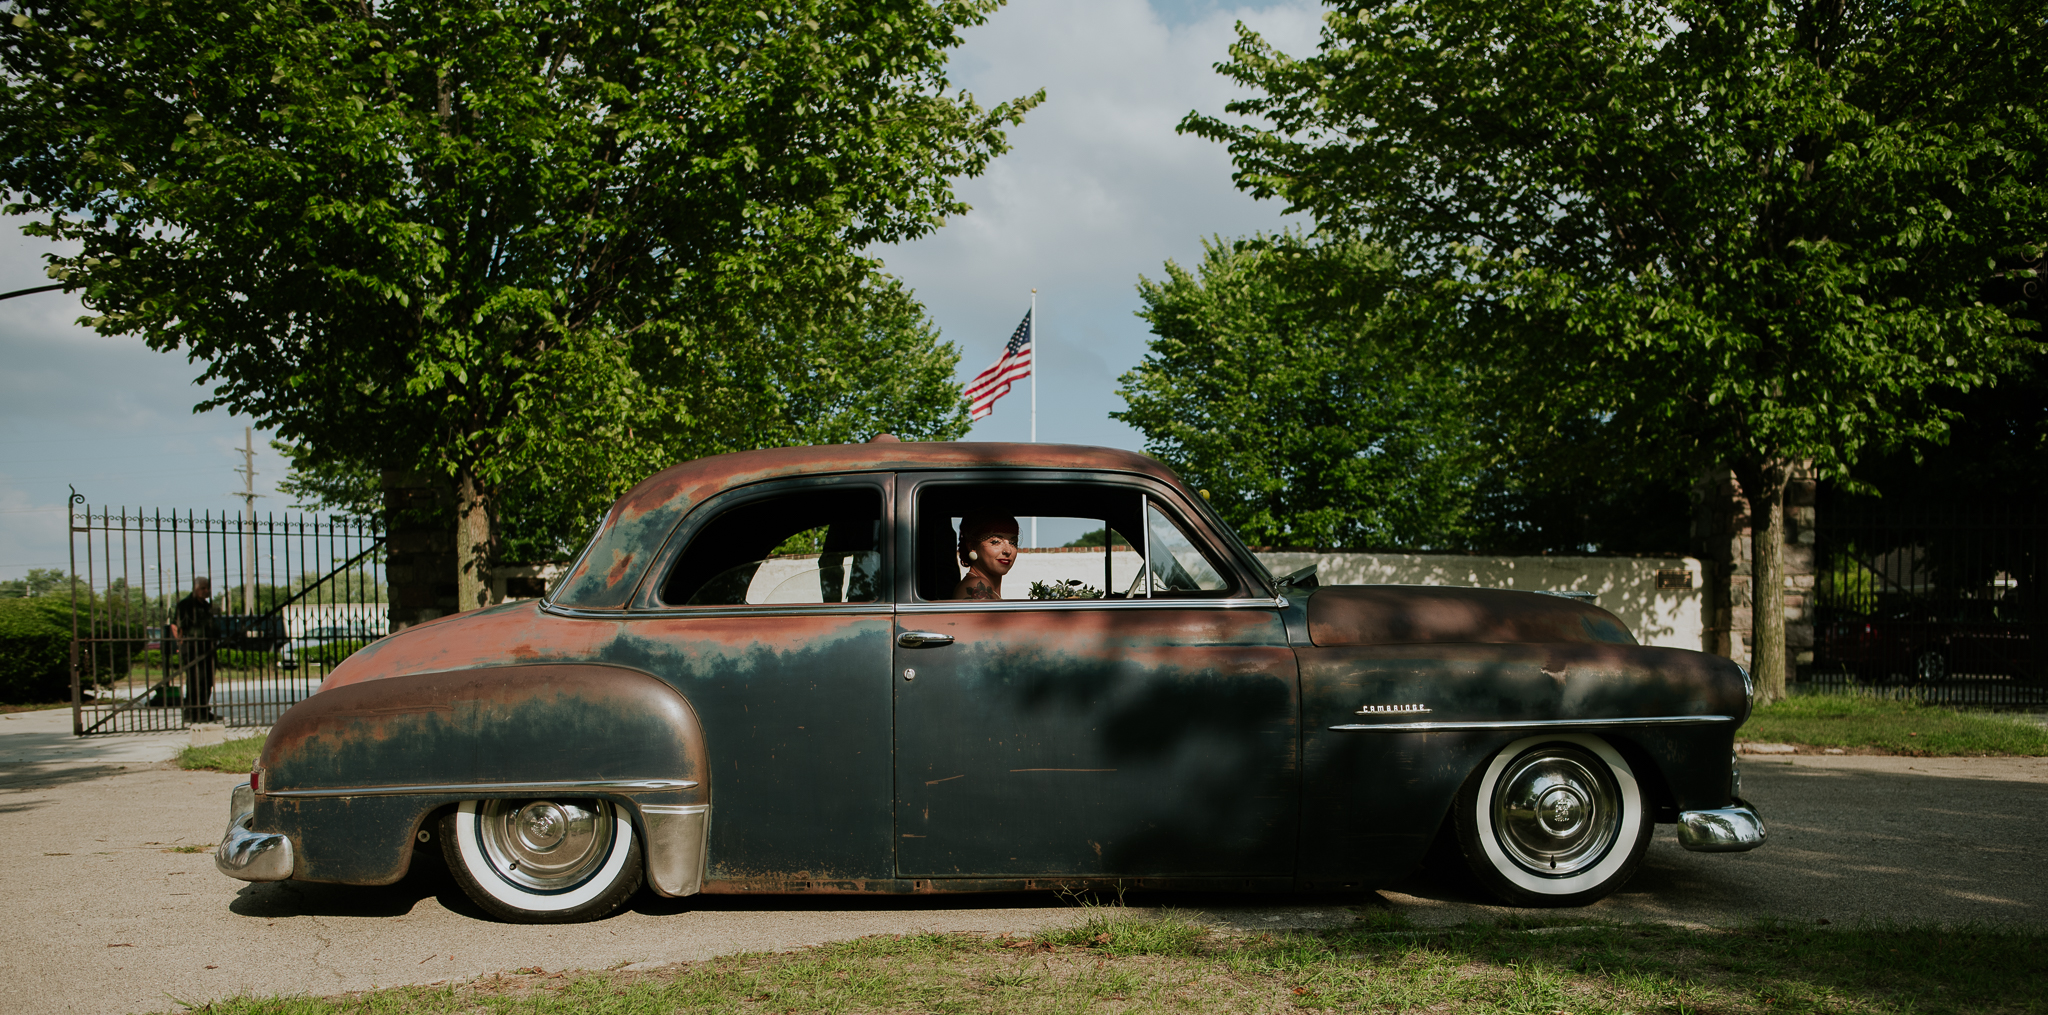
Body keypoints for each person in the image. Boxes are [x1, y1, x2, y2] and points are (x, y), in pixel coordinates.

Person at [169, 577, 218, 723]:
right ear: (195, 588)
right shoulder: (186, 605)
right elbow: (175, 625)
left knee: (208, 680)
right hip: (193, 648)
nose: (206, 591)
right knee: (195, 680)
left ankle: (204, 710)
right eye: (203, 588)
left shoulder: (206, 606)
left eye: (207, 588)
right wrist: (181, 643)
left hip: (208, 647)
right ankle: (192, 712)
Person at [953, 514, 1020, 600]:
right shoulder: (976, 585)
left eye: (1013, 543)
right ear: (972, 547)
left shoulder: (989, 588)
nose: (1008, 551)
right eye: (996, 542)